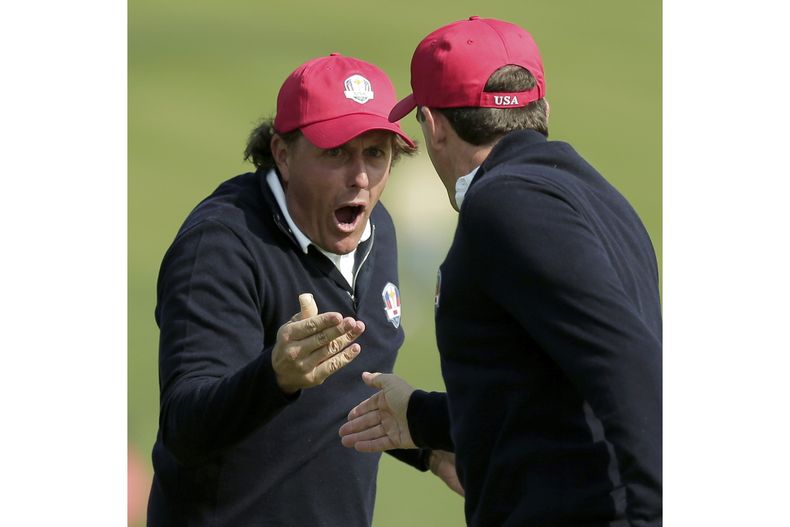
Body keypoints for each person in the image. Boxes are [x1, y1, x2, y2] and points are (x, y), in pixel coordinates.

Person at [339, 17, 662, 527]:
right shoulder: (597, 196)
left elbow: (630, 364)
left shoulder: (506, 204)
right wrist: (421, 418)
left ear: (435, 124)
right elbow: (552, 394)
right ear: (542, 110)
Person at [147, 52, 457, 527]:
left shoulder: (378, 232)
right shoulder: (221, 247)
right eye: (336, 153)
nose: (359, 178)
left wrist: (428, 449)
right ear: (283, 154)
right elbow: (183, 429)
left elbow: (348, 388)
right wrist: (275, 376)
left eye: (376, 153)